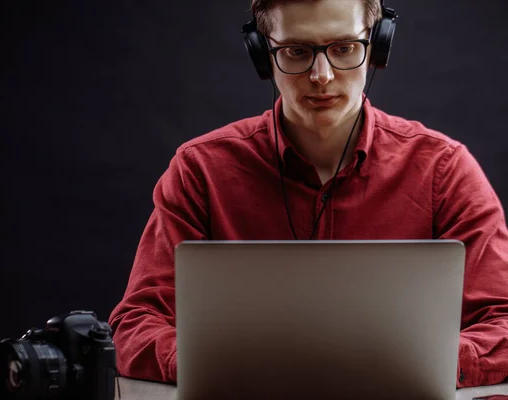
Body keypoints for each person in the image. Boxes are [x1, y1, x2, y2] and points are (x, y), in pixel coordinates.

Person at [108, 0, 508, 388]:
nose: (322, 75)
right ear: (263, 57)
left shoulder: (445, 169)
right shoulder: (199, 170)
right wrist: (210, 366)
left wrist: (418, 364)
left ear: (378, 47)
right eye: (297, 51)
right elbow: (137, 322)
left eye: (344, 48)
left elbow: (503, 319)